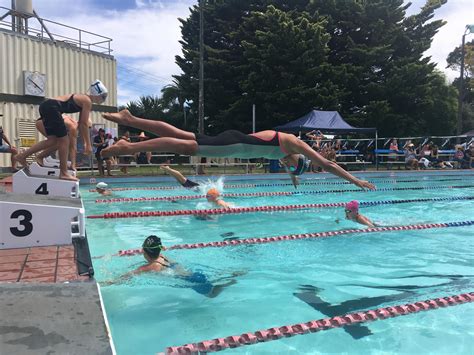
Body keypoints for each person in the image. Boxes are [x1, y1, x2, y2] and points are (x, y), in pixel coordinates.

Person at [100, 109, 375, 191]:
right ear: (297, 160)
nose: (290, 169)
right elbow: (327, 165)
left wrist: (294, 178)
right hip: (234, 144)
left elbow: (295, 170)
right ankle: (129, 146)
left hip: (233, 138)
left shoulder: (284, 152)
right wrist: (355, 180)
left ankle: (131, 119)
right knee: (185, 147)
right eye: (293, 167)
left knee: (180, 133)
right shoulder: (294, 143)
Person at [13, 80, 108, 181]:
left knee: (52, 141)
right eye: (103, 96)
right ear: (97, 94)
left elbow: (81, 123)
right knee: (64, 141)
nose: (103, 99)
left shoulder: (83, 98)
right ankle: (63, 173)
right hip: (52, 108)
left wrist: (86, 142)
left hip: (46, 106)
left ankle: (22, 156)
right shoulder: (87, 100)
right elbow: (84, 124)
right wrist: (88, 144)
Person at [123, 235, 240, 298]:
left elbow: (129, 275)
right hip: (193, 274)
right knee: (211, 281)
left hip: (191, 280)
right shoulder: (163, 257)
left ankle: (229, 282)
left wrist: (109, 282)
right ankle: (227, 276)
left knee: (211, 294)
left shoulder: (151, 267)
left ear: (144, 251)